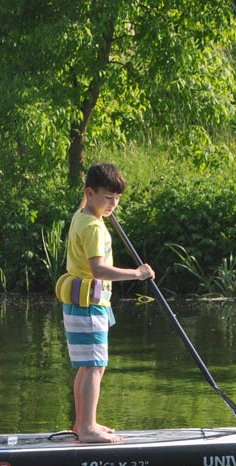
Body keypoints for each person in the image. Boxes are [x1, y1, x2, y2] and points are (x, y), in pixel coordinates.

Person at [55, 163, 155, 443]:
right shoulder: (94, 229)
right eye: (108, 198)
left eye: (118, 199)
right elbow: (98, 270)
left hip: (82, 305)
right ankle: (86, 428)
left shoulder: (81, 216)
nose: (114, 204)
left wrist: (99, 201)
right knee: (94, 366)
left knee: (89, 365)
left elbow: (88, 202)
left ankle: (83, 423)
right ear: (90, 193)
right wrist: (138, 274)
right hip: (89, 306)